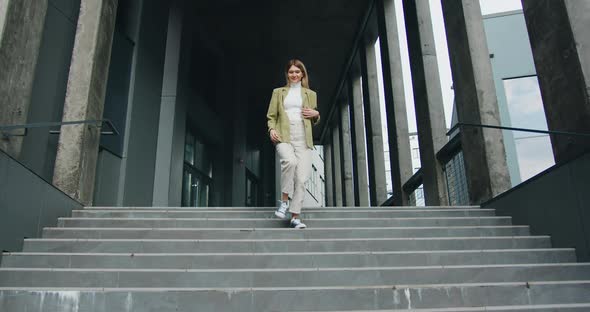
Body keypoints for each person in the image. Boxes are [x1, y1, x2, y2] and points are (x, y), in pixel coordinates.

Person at [266, 59, 320, 229]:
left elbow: (313, 119)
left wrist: (316, 114)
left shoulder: (310, 94)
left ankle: (295, 217)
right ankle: (283, 202)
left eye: (297, 72)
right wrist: (271, 129)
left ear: (302, 74)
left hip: (304, 137)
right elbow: (271, 116)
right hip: (284, 134)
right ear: (287, 74)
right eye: (291, 72)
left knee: (301, 179)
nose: (294, 75)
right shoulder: (278, 92)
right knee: (289, 162)